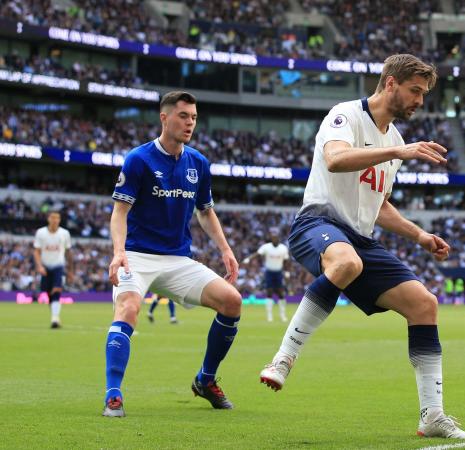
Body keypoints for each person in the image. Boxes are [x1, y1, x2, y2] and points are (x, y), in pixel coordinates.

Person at [258, 54, 465, 440]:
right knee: (345, 262)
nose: (420, 101)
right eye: (415, 91)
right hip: (318, 222)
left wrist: (419, 236)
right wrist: (397, 152)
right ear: (390, 83)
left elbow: (380, 205)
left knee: (424, 304)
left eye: (424, 94)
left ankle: (432, 415)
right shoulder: (345, 116)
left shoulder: (395, 140)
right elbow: (336, 159)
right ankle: (283, 359)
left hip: (360, 239)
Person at [103, 91, 243, 417]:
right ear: (164, 118)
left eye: (193, 117)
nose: (190, 123)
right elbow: (119, 211)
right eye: (183, 116)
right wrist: (118, 252)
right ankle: (113, 395)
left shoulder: (199, 163)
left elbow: (206, 212)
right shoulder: (138, 159)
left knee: (232, 301)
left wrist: (225, 250)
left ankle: (205, 380)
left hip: (179, 260)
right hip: (136, 255)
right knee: (128, 308)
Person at [33, 211, 72, 328]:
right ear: (48, 219)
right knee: (48, 292)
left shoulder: (64, 233)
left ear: (59, 220)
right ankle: (55, 316)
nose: (55, 220)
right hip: (45, 266)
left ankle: (54, 319)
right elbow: (36, 251)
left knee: (56, 290)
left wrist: (70, 270)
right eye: (53, 217)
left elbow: (68, 251)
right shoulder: (41, 232)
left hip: (58, 266)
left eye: (57, 218)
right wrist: (39, 266)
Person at [242, 230, 290, 322]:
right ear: (271, 238)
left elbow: (286, 261)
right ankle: (269, 315)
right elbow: (257, 254)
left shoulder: (283, 248)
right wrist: (248, 259)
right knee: (269, 293)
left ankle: (282, 315)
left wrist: (287, 272)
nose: (274, 239)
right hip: (269, 272)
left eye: (276, 237)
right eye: (273, 237)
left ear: (278, 238)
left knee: (281, 293)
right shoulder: (266, 247)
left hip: (278, 272)